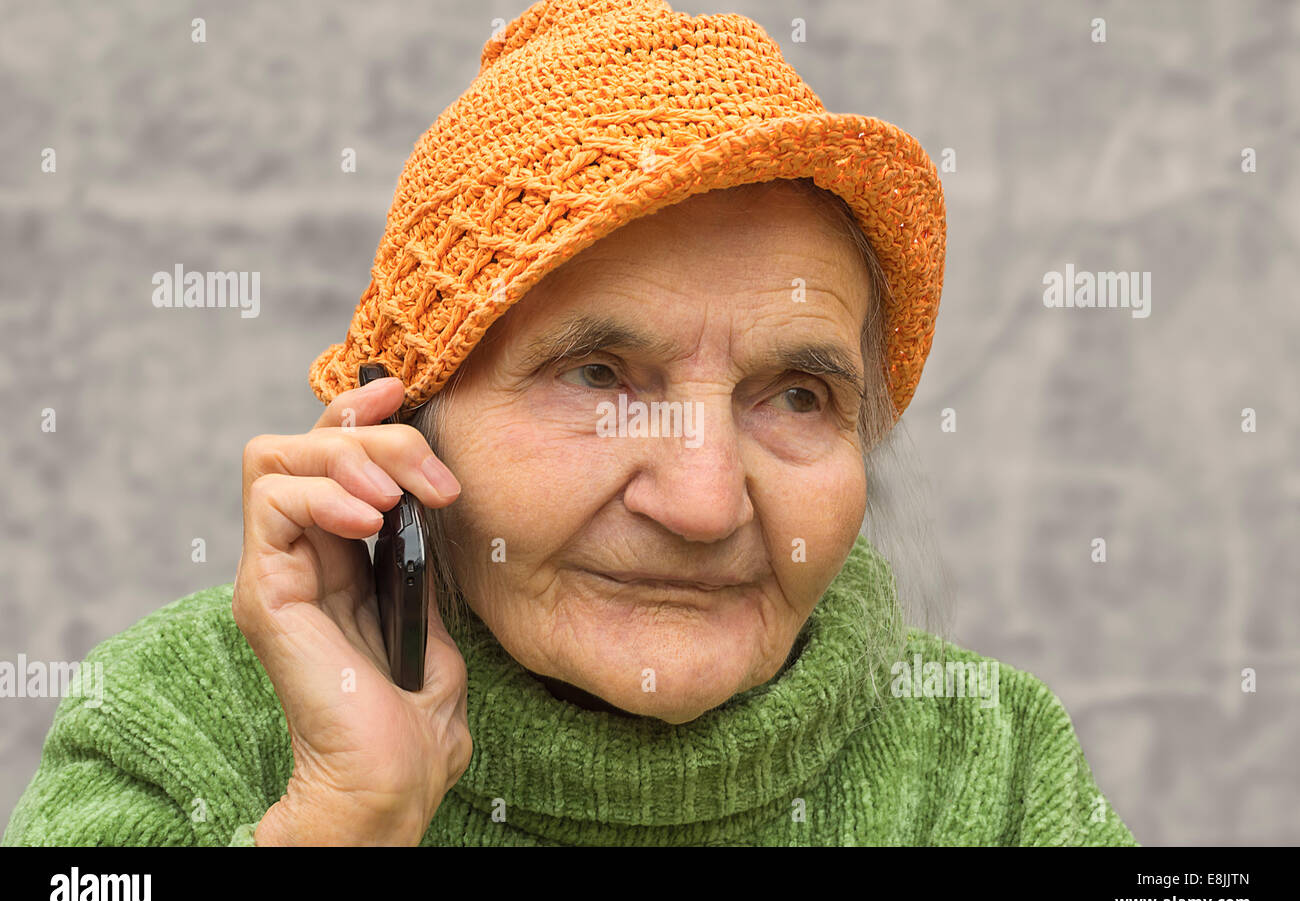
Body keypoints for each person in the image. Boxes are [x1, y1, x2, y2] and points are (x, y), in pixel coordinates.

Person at [3, 0, 1136, 846]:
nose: (702, 503)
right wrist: (348, 816)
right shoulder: (178, 728)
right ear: (401, 427)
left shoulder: (990, 769)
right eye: (597, 377)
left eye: (797, 396)